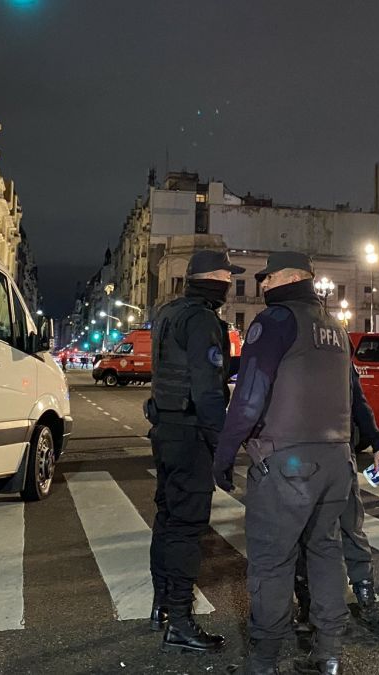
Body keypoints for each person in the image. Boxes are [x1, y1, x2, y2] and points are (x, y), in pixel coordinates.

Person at [212, 251, 355, 675]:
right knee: (326, 553)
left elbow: (250, 394)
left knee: (271, 562)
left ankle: (263, 662)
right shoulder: (336, 328)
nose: (263, 284)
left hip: (287, 462)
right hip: (336, 459)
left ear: (292, 278)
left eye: (268, 277)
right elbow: (351, 394)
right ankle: (329, 655)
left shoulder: (274, 321)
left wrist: (225, 454)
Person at [145, 249, 243, 653]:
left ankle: (162, 605)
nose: (230, 283)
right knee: (187, 527)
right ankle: (181, 623)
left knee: (167, 519)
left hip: (165, 430)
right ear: (215, 279)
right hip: (190, 435)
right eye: (228, 277)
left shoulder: (169, 313)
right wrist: (223, 447)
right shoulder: (203, 320)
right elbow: (206, 390)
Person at [292, 361, 379, 641]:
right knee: (303, 533)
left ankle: (367, 606)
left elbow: (357, 400)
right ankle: (307, 605)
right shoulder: (291, 346)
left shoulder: (337, 350)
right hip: (299, 457)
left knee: (352, 530)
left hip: (338, 454)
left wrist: (378, 444)